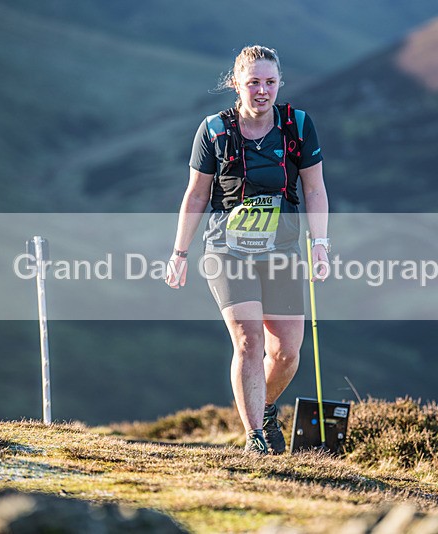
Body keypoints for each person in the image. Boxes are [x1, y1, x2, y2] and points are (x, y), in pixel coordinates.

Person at [165, 45, 330, 455]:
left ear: (280, 84)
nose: (262, 91)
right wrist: (179, 253)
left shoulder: (298, 126)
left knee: (287, 352)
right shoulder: (214, 131)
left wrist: (321, 245)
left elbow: (314, 188)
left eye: (270, 82)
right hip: (227, 251)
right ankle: (255, 436)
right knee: (248, 341)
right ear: (235, 84)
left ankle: (264, 406)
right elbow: (196, 195)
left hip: (284, 248)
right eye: (253, 82)